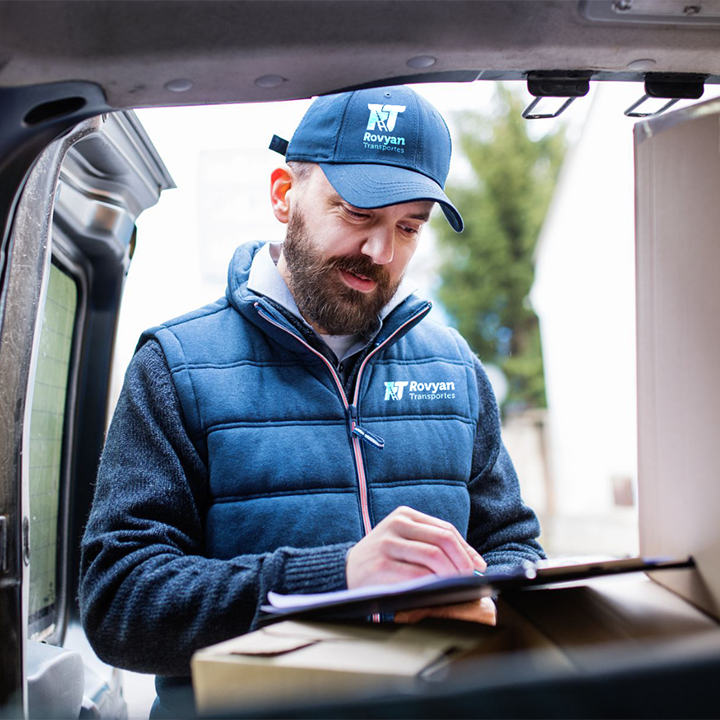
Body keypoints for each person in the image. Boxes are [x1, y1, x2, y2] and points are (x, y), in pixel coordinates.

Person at [79, 85, 545, 718]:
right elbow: (118, 601)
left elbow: (515, 547)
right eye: (356, 214)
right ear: (282, 194)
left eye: (408, 227)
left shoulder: (454, 367)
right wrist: (336, 578)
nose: (380, 253)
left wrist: (489, 597)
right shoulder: (175, 365)